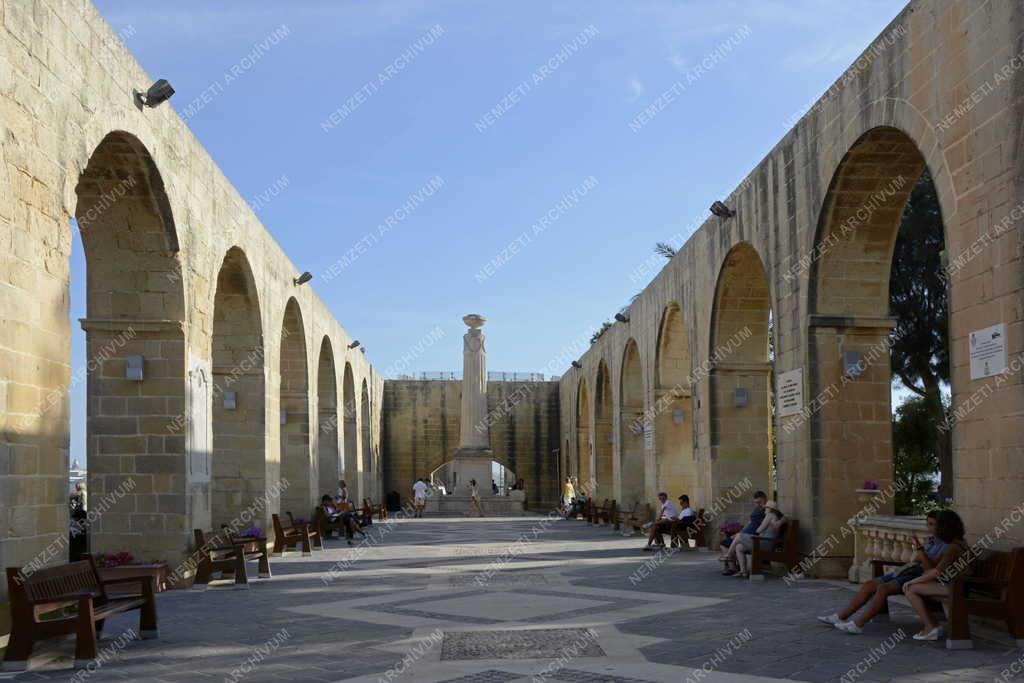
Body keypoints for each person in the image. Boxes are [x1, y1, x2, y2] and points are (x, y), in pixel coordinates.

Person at [819, 511, 945, 633]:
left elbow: (930, 568)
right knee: (869, 585)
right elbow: (917, 559)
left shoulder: (945, 545)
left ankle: (858, 624)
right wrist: (920, 551)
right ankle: (841, 616)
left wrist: (920, 550)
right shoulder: (931, 540)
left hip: (923, 577)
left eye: (932, 524)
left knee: (883, 588)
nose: (929, 527)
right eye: (928, 524)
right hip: (912, 571)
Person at [902, 510, 970, 641]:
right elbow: (934, 567)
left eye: (937, 525)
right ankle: (933, 626)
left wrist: (913, 581)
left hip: (959, 588)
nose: (933, 529)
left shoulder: (953, 547)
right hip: (954, 584)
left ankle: (930, 627)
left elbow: (936, 572)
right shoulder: (958, 542)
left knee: (910, 589)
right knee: (913, 587)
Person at [732, 500, 786, 578]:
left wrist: (763, 524)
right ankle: (743, 572)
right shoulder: (774, 516)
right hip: (765, 542)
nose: (765, 509)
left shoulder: (770, 515)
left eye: (766, 507)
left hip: (765, 544)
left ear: (770, 509)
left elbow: (758, 530)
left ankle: (729, 555)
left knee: (739, 535)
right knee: (739, 547)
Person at [720, 491, 768, 575]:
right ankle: (733, 568)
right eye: (756, 502)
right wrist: (740, 532)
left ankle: (730, 562)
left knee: (733, 544)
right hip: (745, 535)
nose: (758, 504)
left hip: (753, 537)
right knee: (724, 543)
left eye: (760, 502)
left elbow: (779, 517)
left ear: (765, 499)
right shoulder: (756, 509)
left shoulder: (768, 511)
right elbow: (750, 522)